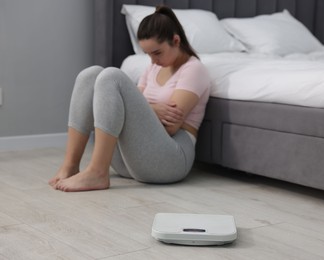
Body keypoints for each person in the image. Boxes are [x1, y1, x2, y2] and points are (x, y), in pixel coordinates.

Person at [48, 5, 211, 192]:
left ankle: (98, 172)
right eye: (148, 54)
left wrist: (146, 107)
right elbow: (134, 108)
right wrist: (154, 108)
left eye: (157, 53)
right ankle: (70, 166)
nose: (152, 61)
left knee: (111, 76)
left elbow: (171, 127)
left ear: (175, 40)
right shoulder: (153, 68)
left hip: (172, 159)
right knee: (90, 75)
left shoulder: (193, 69)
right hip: (133, 161)